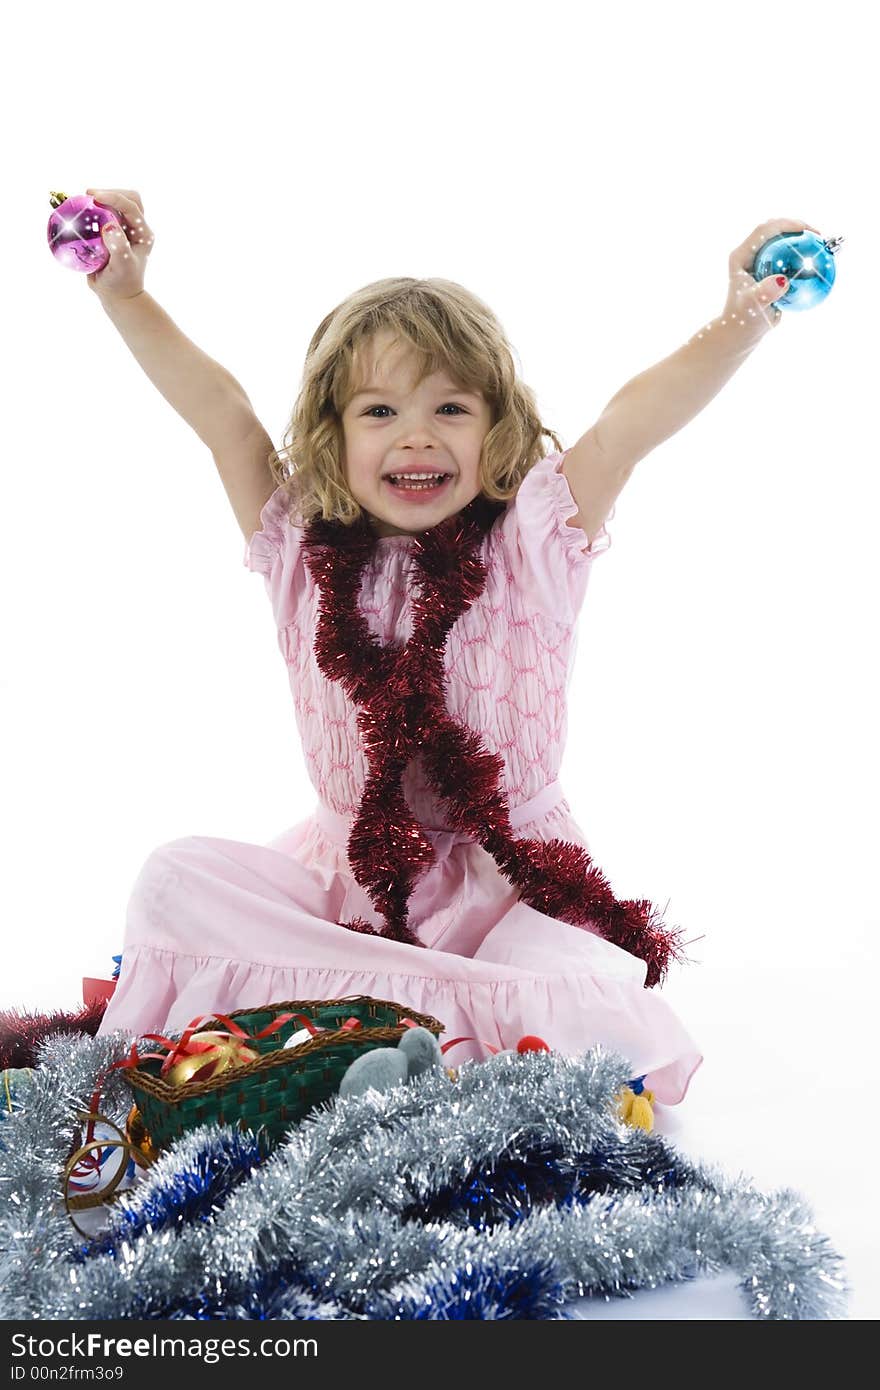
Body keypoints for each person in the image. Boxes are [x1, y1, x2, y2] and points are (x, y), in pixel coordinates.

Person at [89, 187, 818, 1110]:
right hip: (351, 885)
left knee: (576, 982)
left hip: (506, 884)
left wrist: (740, 323)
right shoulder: (300, 549)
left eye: (451, 409)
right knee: (173, 878)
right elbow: (224, 415)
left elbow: (632, 424)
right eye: (379, 412)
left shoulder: (531, 544)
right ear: (332, 433)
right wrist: (126, 298)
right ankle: (399, 1022)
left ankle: (397, 1029)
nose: (418, 435)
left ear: (497, 428)